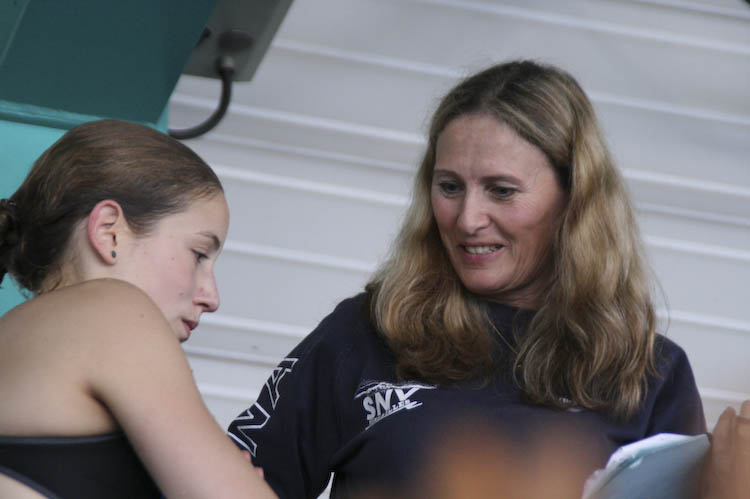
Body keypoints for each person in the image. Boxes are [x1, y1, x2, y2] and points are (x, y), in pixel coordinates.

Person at [227, 60, 706, 498]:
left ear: (575, 201)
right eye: (450, 187)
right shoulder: (368, 330)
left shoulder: (647, 371)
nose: (468, 219)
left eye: (501, 190)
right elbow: (228, 483)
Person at [0, 120, 275, 499]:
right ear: (109, 231)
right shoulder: (113, 310)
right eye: (198, 254)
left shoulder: (17, 338)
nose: (212, 297)